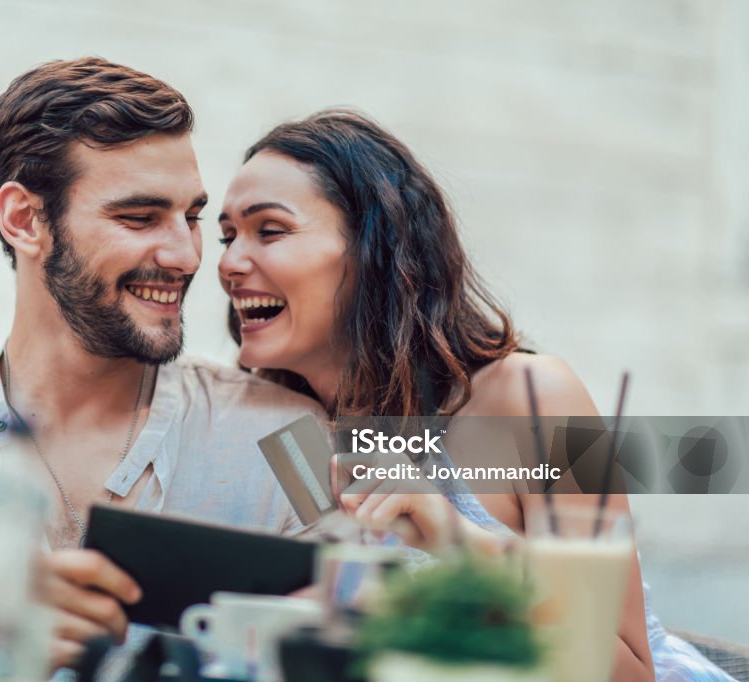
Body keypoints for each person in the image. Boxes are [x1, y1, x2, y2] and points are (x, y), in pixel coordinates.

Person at [0, 58, 324, 671]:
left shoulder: (292, 437)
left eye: (191, 217)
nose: (187, 255)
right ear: (25, 220)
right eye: (139, 217)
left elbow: (405, 627)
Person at [216, 109, 734, 681]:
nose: (229, 262)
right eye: (226, 236)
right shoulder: (293, 431)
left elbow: (629, 672)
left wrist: (456, 540)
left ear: (372, 249)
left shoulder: (538, 398)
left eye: (269, 230)